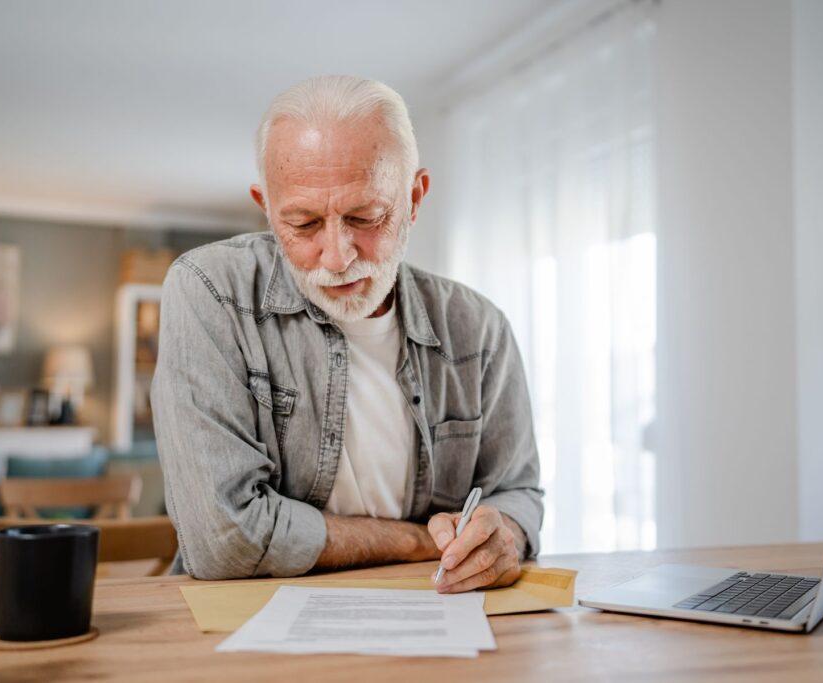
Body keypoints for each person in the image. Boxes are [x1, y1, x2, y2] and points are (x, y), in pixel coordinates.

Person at [152, 75, 542, 593]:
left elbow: (516, 492)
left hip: (432, 615)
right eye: (304, 224)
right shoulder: (209, 291)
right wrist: (419, 542)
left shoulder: (479, 329)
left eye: (365, 216)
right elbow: (223, 538)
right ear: (265, 207)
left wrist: (505, 534)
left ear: (415, 198)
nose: (337, 257)